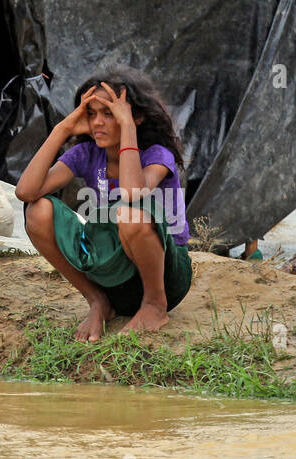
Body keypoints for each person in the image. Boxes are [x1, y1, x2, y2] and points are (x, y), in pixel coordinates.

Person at [16, 68, 192, 342]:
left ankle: (154, 306)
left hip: (167, 276)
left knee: (130, 212)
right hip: (111, 276)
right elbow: (26, 191)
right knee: (37, 210)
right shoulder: (87, 154)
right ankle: (99, 302)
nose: (98, 122)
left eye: (109, 114)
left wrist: (128, 129)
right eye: (92, 113)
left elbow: (132, 192)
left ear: (136, 118)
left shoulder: (157, 155)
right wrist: (62, 129)